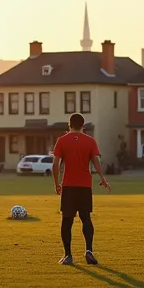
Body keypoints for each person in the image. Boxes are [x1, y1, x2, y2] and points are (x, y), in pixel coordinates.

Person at [53, 113, 111, 265]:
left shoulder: (62, 141)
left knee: (67, 220)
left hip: (69, 186)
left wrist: (56, 183)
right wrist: (102, 178)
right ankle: (89, 250)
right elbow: (96, 160)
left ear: (69, 124)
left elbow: (55, 165)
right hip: (85, 186)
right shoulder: (90, 141)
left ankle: (68, 255)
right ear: (83, 125)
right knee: (86, 218)